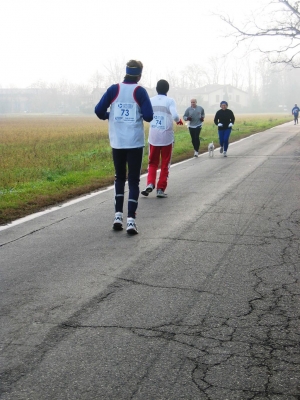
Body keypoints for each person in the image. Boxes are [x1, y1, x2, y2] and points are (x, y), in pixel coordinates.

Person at [95, 60, 153, 235]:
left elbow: (98, 111)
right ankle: (131, 221)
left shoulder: (114, 89)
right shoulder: (140, 91)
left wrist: (110, 115)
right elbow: (149, 116)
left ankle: (118, 217)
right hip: (134, 142)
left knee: (119, 178)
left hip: (117, 142)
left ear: (126, 72)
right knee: (133, 180)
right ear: (139, 75)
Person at [141, 80, 183, 199]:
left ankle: (150, 183)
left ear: (156, 88)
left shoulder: (151, 100)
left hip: (154, 136)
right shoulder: (170, 101)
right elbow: (175, 116)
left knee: (152, 162)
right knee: (165, 163)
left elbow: (145, 114)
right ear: (167, 89)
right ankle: (160, 188)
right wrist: (178, 120)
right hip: (166, 137)